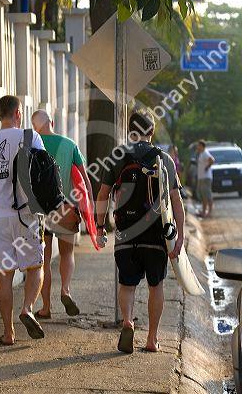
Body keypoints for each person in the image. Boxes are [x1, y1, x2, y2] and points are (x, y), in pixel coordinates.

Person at [96, 110, 185, 354]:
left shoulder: (117, 157)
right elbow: (176, 201)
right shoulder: (164, 159)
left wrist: (99, 227)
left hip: (125, 232)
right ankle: (152, 339)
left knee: (127, 284)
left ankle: (127, 321)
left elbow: (103, 196)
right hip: (156, 235)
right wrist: (180, 237)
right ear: (152, 132)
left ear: (129, 130)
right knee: (156, 286)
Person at [0, 95, 46, 346]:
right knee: (35, 266)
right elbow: (44, 173)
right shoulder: (30, 137)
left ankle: (8, 332)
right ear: (18, 113)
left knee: (4, 276)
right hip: (26, 215)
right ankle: (27, 308)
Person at [32, 110, 94, 319]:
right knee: (67, 253)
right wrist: (90, 209)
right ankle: (65, 290)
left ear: (34, 127)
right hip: (66, 209)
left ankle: (46, 307)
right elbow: (85, 181)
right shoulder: (69, 144)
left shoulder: (31, 145)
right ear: (52, 122)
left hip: (40, 212)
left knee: (45, 260)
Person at [196, 140, 215, 218]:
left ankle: (209, 212)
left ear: (202, 146)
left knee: (207, 194)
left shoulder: (205, 153)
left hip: (206, 178)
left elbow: (212, 160)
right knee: (203, 195)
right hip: (202, 178)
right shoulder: (201, 154)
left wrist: (207, 167)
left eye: (199, 145)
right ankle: (204, 211)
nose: (197, 147)